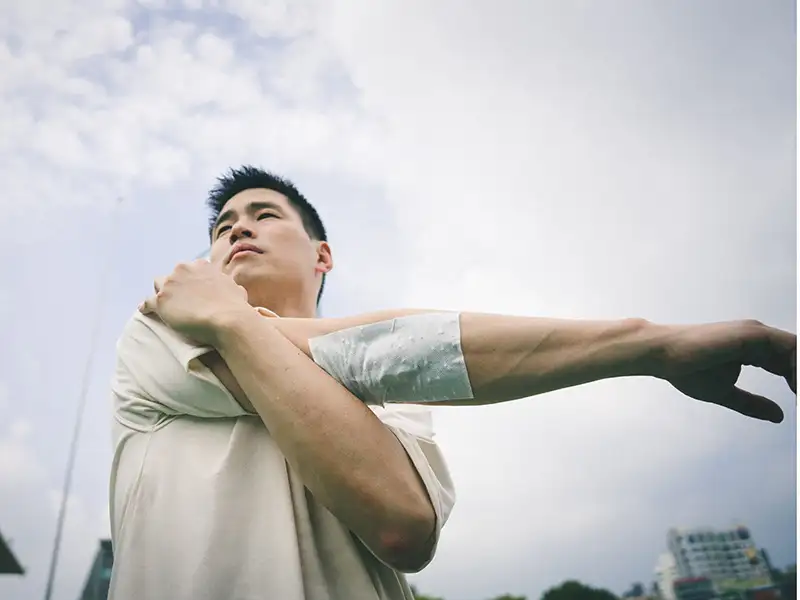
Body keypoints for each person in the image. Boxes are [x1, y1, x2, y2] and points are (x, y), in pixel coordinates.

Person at [109, 166, 796, 600]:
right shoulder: (160, 334)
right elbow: (377, 351)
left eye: (263, 215)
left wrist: (232, 319)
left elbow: (402, 526)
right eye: (222, 227)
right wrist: (652, 344)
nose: (236, 232)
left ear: (322, 254)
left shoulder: (400, 391)